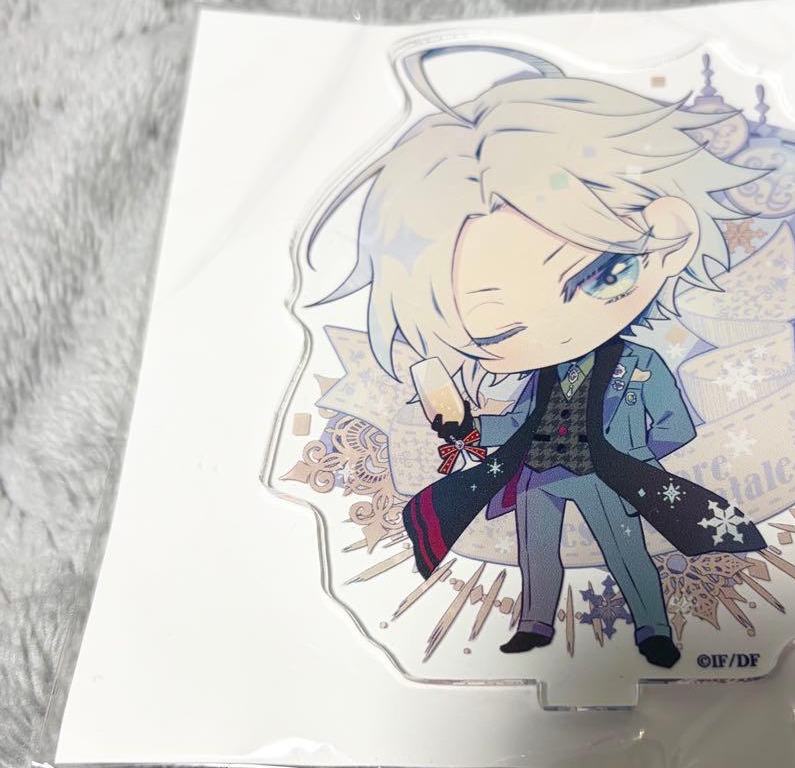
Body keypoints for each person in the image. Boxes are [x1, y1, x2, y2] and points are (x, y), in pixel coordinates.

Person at [305, 46, 767, 669]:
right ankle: (535, 625)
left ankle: (653, 628)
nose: (553, 330)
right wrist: (468, 429)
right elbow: (520, 422)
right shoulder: (541, 375)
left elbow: (675, 425)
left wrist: (634, 456)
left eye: (599, 274)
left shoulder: (638, 365)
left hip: (606, 472)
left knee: (624, 548)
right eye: (496, 333)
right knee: (536, 553)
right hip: (536, 474)